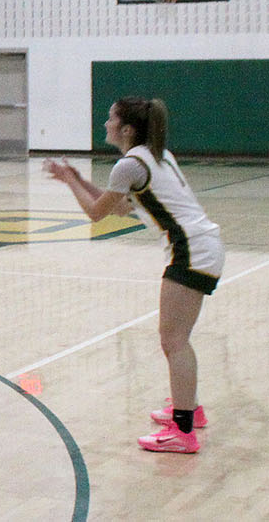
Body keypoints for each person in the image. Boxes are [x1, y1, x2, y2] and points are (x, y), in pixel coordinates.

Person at [44, 98, 224, 454]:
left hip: (191, 250)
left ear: (127, 129)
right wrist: (79, 179)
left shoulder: (129, 165)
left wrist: (69, 182)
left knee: (174, 341)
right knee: (177, 339)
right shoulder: (155, 155)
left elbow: (96, 214)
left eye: (111, 118)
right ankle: (189, 409)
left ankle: (183, 431)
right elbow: (122, 208)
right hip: (202, 246)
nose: (105, 123)